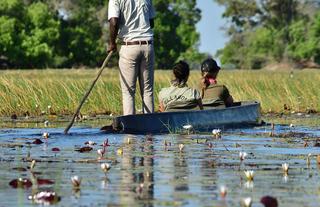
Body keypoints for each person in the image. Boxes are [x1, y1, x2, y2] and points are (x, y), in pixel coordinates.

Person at [108, 0, 155, 115]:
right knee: (147, 91)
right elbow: (151, 22)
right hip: (147, 46)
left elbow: (114, 22)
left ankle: (130, 130)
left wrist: (112, 43)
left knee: (128, 92)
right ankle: (150, 128)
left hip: (129, 46)